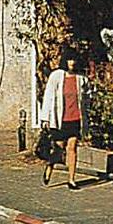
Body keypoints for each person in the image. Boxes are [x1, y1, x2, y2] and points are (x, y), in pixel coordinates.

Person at [40, 49, 91, 190]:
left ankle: (72, 179)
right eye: (69, 60)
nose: (72, 63)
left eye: (74, 60)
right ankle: (50, 165)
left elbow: (87, 98)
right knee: (58, 149)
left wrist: (87, 115)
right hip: (60, 119)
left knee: (72, 148)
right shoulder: (56, 76)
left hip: (75, 118)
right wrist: (45, 118)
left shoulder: (82, 79)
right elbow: (48, 97)